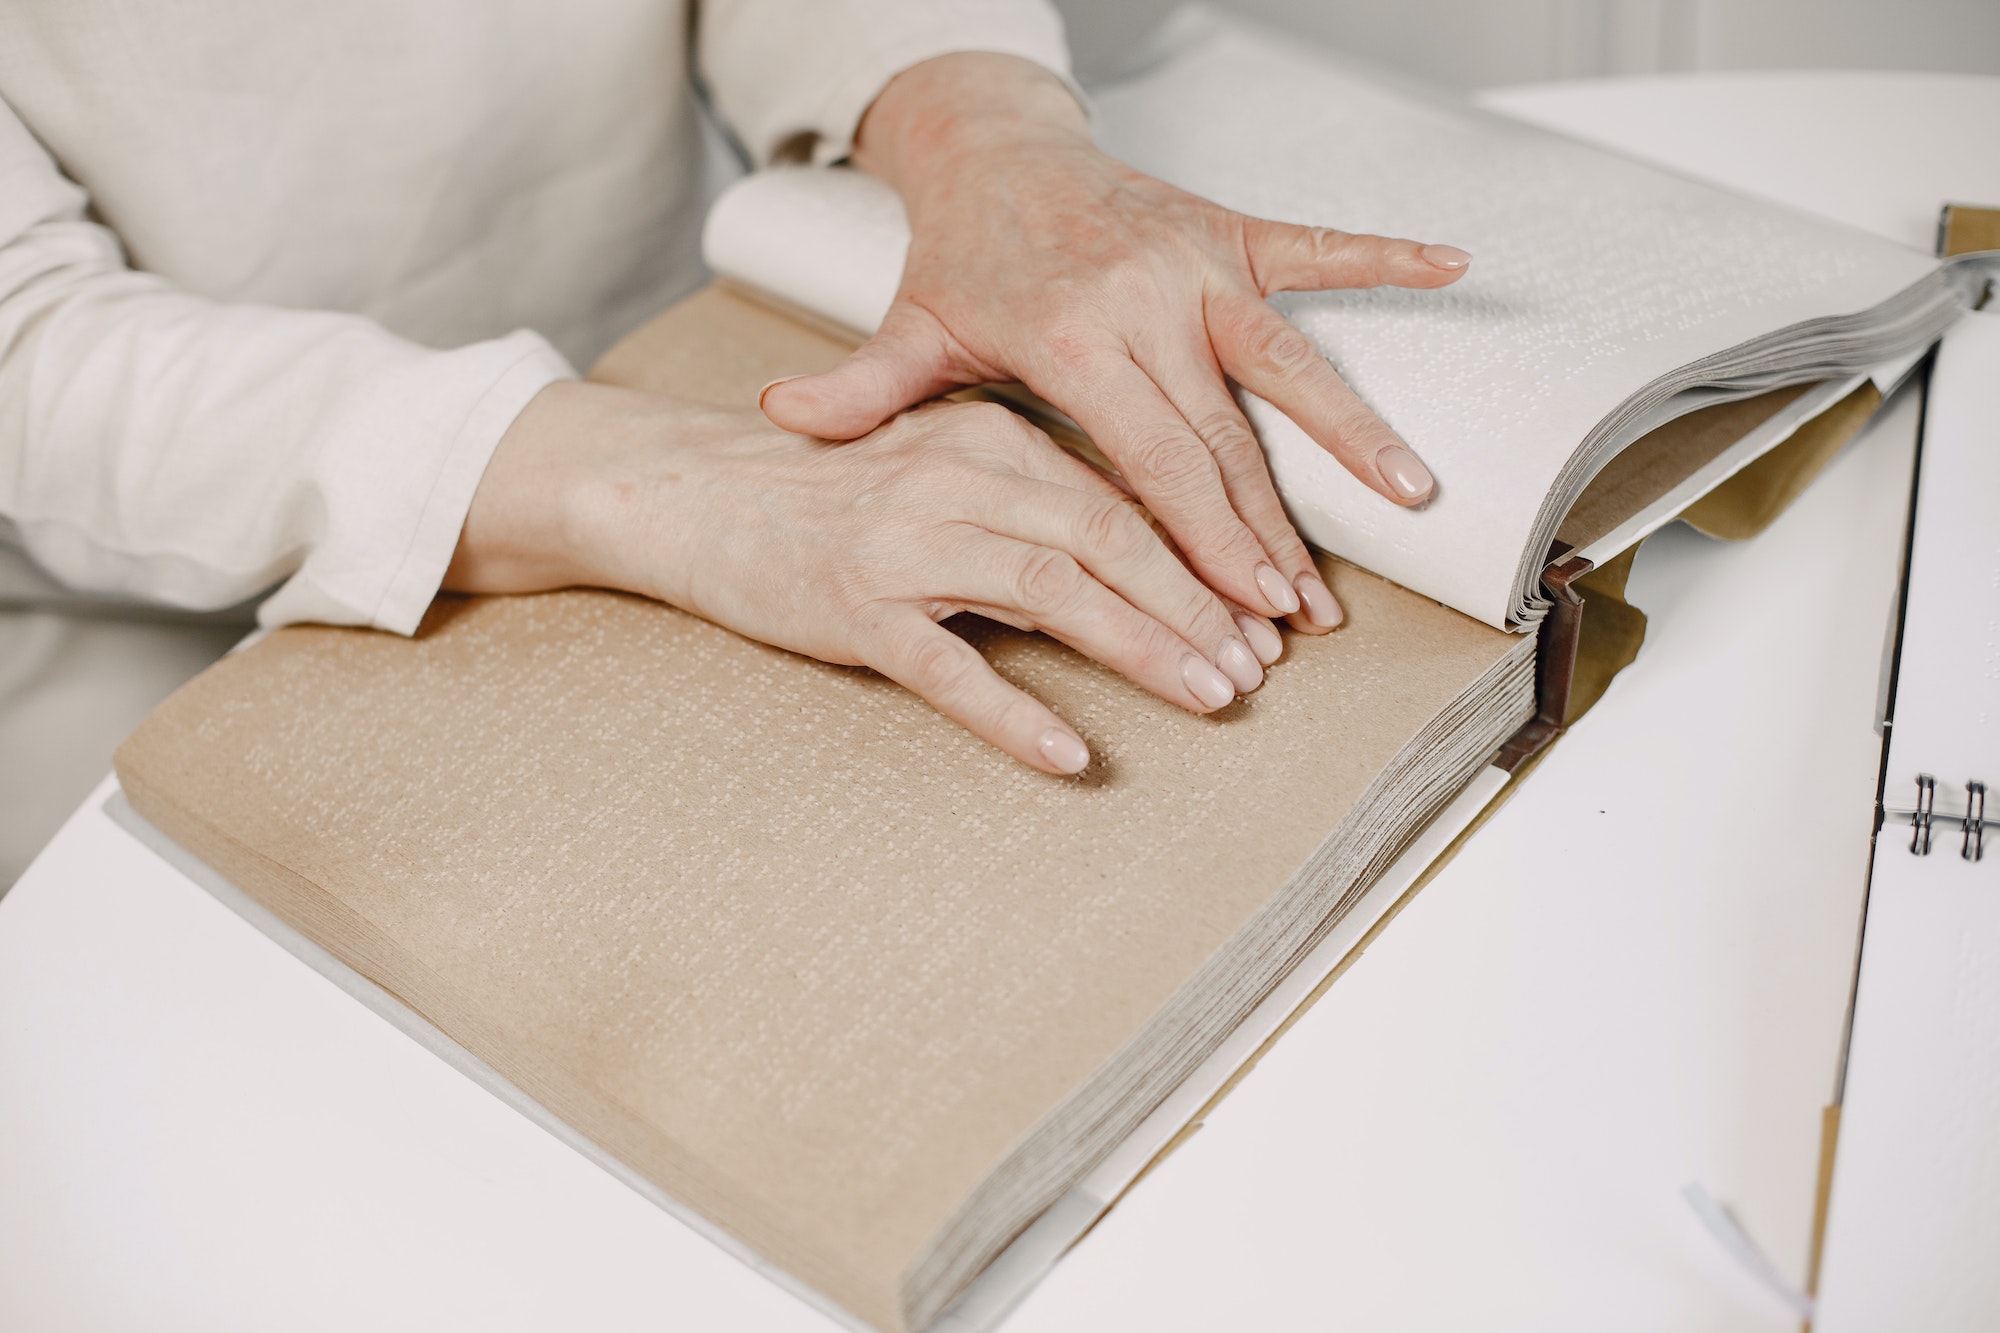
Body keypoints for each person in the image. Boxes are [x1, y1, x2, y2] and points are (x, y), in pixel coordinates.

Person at [0, 0, 1467, 882]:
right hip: (139, 602)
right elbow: (30, 349)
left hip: (700, 344)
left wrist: (983, 140)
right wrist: (681, 489)